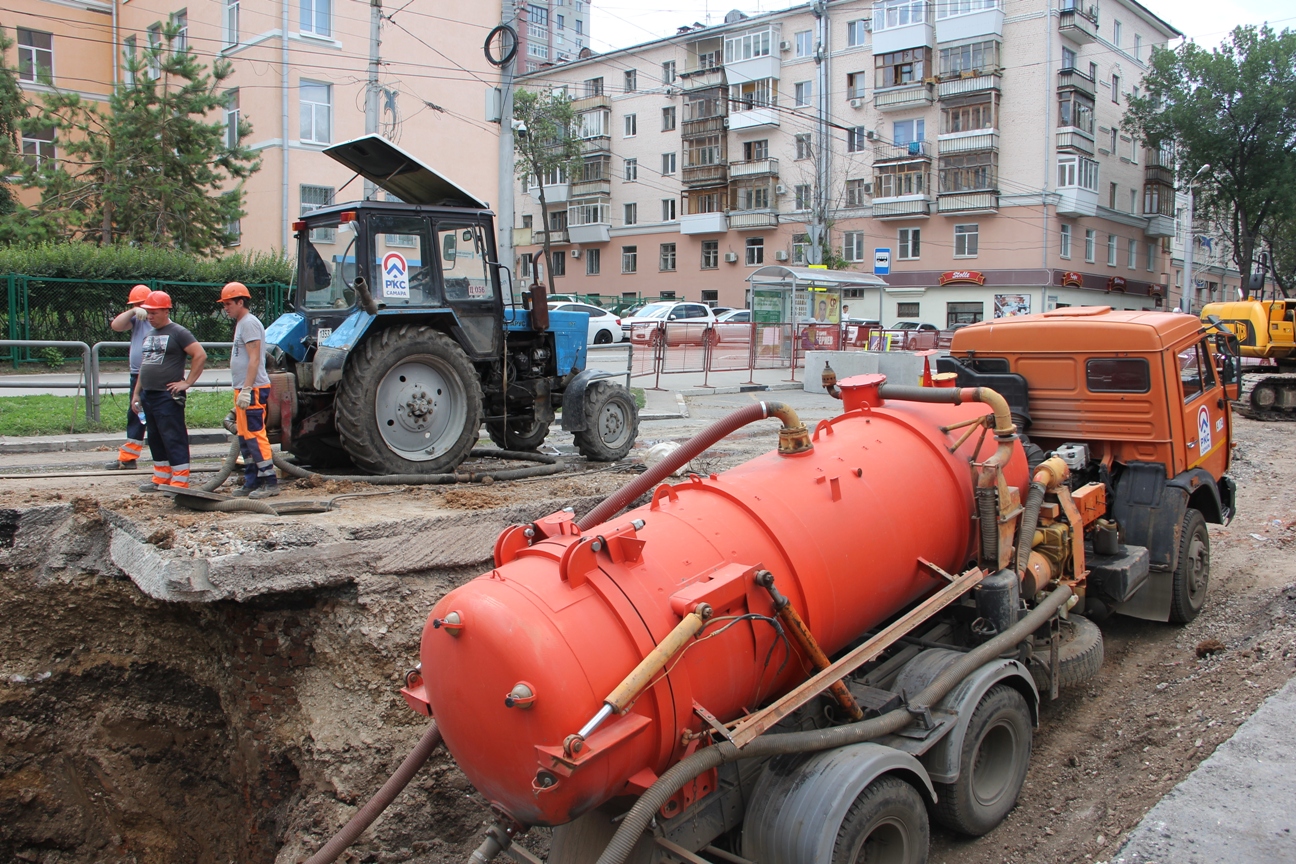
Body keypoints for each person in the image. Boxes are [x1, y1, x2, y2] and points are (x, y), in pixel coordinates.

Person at [131, 292, 206, 491]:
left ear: (166, 311)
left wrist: (187, 382)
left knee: (173, 436)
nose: (150, 317)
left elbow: (199, 354)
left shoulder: (179, 332)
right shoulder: (150, 334)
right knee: (155, 437)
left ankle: (180, 480)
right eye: (148, 313)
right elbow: (144, 366)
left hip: (167, 396)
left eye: (154, 313)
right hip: (149, 394)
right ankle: (161, 477)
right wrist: (137, 393)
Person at [220, 282, 279, 498]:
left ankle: (269, 482)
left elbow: (255, 358)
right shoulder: (242, 323)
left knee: (255, 435)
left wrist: (247, 388)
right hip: (245, 389)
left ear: (240, 302)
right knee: (245, 437)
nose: (225, 308)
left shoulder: (250, 324)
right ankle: (252, 480)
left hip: (252, 389)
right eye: (224, 304)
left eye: (228, 303)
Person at [104, 285, 152, 470]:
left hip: (151, 375)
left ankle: (166, 461)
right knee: (136, 415)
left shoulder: (159, 321)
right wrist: (132, 311)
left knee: (155, 417)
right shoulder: (137, 320)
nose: (139, 307)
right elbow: (116, 325)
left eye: (141, 304)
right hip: (136, 374)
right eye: (136, 304)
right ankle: (128, 457)